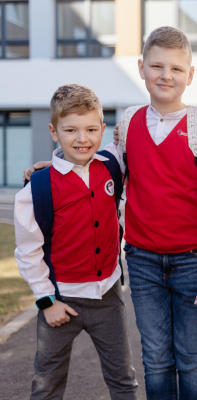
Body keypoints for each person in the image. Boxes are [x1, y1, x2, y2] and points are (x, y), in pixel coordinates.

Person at [23, 27, 197, 399]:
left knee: (192, 357)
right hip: (142, 262)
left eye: (175, 68)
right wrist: (57, 163)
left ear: (190, 75)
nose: (165, 75)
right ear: (141, 68)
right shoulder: (129, 122)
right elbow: (103, 161)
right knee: (155, 358)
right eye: (156, 66)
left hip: (193, 263)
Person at [14, 84, 138, 399]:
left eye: (91, 129)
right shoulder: (36, 190)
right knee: (47, 383)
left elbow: (140, 137)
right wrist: (46, 301)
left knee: (123, 379)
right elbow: (28, 252)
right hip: (60, 300)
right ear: (54, 132)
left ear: (103, 130)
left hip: (107, 295)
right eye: (70, 130)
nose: (82, 138)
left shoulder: (113, 165)